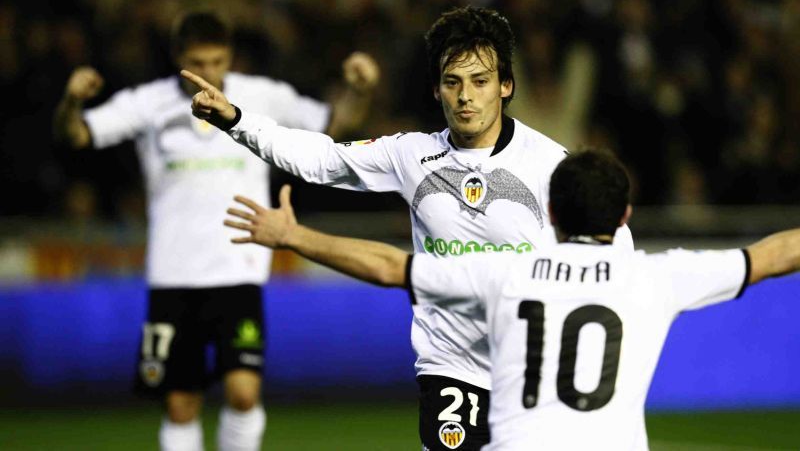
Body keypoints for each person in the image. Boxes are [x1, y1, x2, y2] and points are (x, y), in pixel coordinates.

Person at [182, 6, 633, 450]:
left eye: (480, 82)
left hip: (531, 369)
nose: (466, 97)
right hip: (452, 369)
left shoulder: (551, 165)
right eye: (452, 83)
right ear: (437, 90)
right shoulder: (411, 155)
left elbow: (610, 236)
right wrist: (236, 121)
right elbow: (322, 159)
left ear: (506, 86)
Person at [223, 149, 800, 450]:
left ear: (549, 213)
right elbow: (771, 256)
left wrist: (294, 236)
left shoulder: (504, 271)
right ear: (624, 217)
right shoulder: (655, 277)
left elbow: (388, 266)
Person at [53, 11, 379, 451]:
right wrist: (72, 102)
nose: (208, 72)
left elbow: (335, 125)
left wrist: (359, 90)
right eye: (197, 62)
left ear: (230, 58)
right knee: (180, 406)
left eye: (217, 61)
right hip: (173, 273)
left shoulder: (263, 96)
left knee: (244, 394)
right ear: (176, 57)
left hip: (238, 268)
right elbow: (77, 135)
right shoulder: (148, 103)